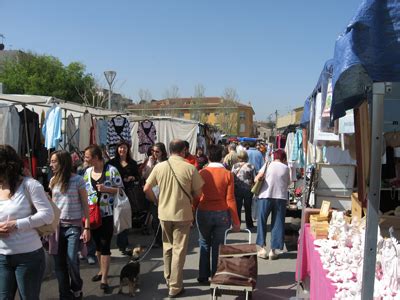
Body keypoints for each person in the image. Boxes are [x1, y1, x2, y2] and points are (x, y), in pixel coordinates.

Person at [144, 139, 204, 298]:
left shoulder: (159, 167)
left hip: (164, 213)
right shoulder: (190, 168)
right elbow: (199, 193)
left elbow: (146, 188)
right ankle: (175, 286)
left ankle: (169, 278)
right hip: (182, 214)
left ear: (169, 150)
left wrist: (157, 201)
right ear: (184, 150)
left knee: (168, 247)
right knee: (179, 250)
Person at [0, 144, 54, 300]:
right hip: (2, 256)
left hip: (28, 256)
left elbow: (47, 215)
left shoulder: (30, 185)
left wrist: (17, 224)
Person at [194, 145, 240, 284]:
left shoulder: (202, 173)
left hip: (203, 211)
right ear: (221, 157)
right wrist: (236, 221)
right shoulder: (228, 174)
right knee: (218, 245)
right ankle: (216, 274)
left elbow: (197, 196)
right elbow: (230, 199)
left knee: (204, 243)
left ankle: (203, 275)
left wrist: (193, 209)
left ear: (208, 157)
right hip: (222, 213)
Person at [49, 150, 90, 300]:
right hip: (57, 227)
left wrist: (87, 227)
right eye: (51, 161)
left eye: (54, 161)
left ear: (63, 162)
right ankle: (64, 295)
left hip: (74, 226)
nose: (51, 164)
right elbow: (53, 205)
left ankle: (77, 286)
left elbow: (85, 204)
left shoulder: (78, 180)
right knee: (59, 264)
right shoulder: (53, 180)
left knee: (72, 260)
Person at [83, 144, 123, 294]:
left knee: (105, 245)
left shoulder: (111, 171)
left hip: (107, 214)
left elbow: (121, 190)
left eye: (87, 157)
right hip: (92, 215)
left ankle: (104, 278)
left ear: (96, 158)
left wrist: (107, 189)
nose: (85, 159)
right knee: (98, 245)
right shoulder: (86, 172)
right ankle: (101, 270)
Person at [255, 149, 290, 260]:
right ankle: (273, 250)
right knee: (277, 223)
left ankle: (261, 248)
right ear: (284, 158)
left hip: (265, 196)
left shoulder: (268, 164)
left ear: (274, 157)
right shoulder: (286, 168)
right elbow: (288, 183)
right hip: (280, 198)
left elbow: (257, 178)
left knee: (262, 221)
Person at [109, 140, 140, 254]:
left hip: (128, 193)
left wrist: (132, 177)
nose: (122, 150)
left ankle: (123, 243)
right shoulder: (112, 163)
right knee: (118, 217)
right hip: (114, 193)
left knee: (125, 217)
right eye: (120, 148)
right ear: (117, 149)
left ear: (128, 149)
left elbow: (138, 177)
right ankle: (122, 242)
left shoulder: (132, 163)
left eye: (124, 148)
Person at [142, 142, 168, 248]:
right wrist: (150, 164)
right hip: (153, 193)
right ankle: (158, 240)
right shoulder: (152, 162)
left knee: (165, 219)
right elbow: (145, 176)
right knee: (155, 218)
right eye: (153, 151)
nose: (155, 153)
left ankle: (166, 239)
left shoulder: (166, 163)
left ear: (162, 152)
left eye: (157, 151)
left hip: (164, 192)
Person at [231, 150, 256, 229]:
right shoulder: (251, 166)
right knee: (248, 207)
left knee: (237, 207)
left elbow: (232, 177)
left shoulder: (234, 166)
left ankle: (237, 224)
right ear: (246, 157)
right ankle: (249, 224)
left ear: (238, 157)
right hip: (248, 189)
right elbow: (254, 178)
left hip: (237, 189)